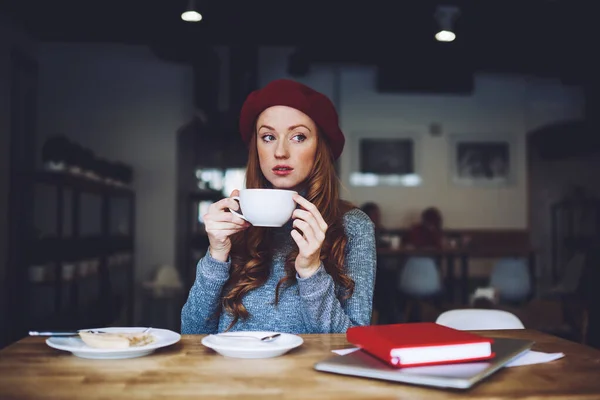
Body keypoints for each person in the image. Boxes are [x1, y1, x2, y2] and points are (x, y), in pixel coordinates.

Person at [181, 79, 377, 334]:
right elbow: (191, 334)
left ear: (320, 147)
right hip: (231, 373)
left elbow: (353, 341)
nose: (280, 151)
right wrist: (216, 255)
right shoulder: (235, 223)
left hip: (308, 375)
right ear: (257, 148)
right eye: (268, 137)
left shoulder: (353, 226)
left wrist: (310, 270)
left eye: (298, 137)